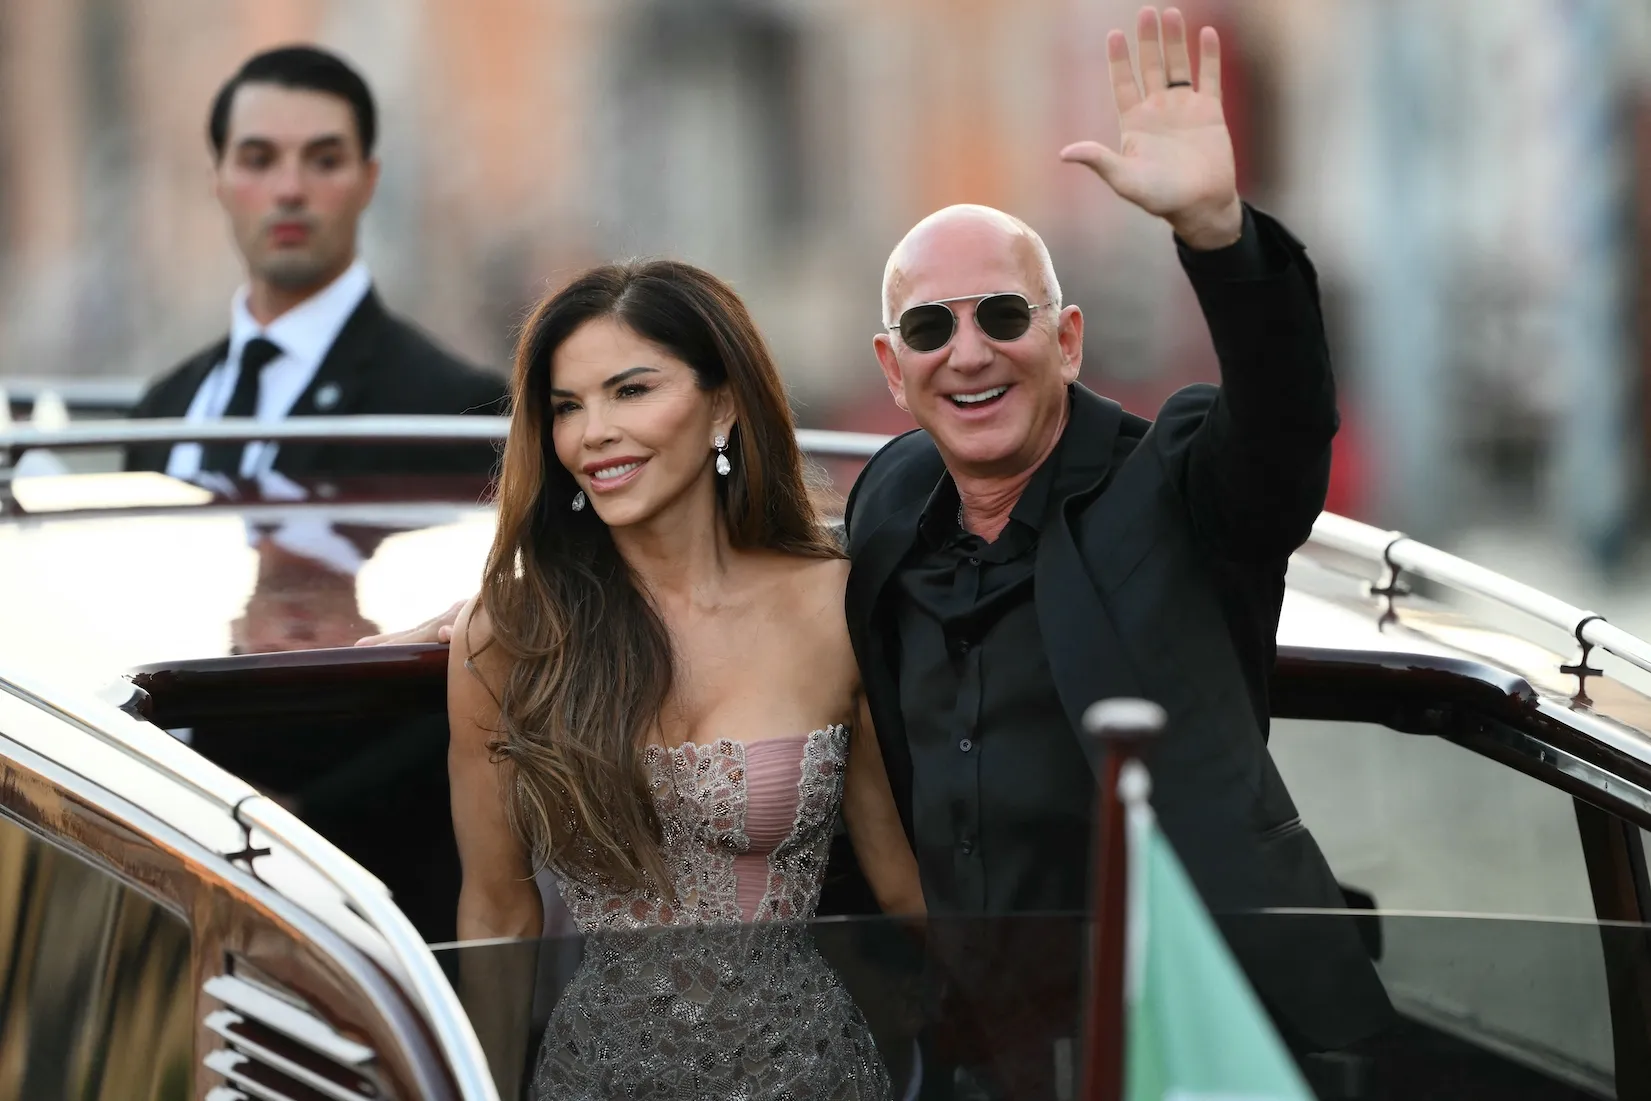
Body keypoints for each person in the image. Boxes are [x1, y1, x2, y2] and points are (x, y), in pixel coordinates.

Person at [364, 5, 1393, 1091]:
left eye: (1003, 316)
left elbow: (1283, 431)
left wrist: (1219, 236)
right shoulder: (891, 509)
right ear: (892, 371)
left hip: (1189, 1031)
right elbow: (735, 569)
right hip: (981, 1056)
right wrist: (499, 608)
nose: (968, 353)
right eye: (930, 329)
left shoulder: (1175, 487)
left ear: (1067, 338)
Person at [446, 260, 924, 1099]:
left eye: (630, 391)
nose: (593, 432)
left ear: (723, 405)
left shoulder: (831, 606)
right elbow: (496, 915)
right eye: (566, 406)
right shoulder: (512, 636)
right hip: (596, 1082)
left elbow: (903, 889)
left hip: (803, 1077)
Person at [125, 45, 504, 481]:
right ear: (217, 181)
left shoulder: (456, 414)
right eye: (258, 160)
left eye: (325, 161)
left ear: (369, 180)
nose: (290, 190)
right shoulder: (162, 410)